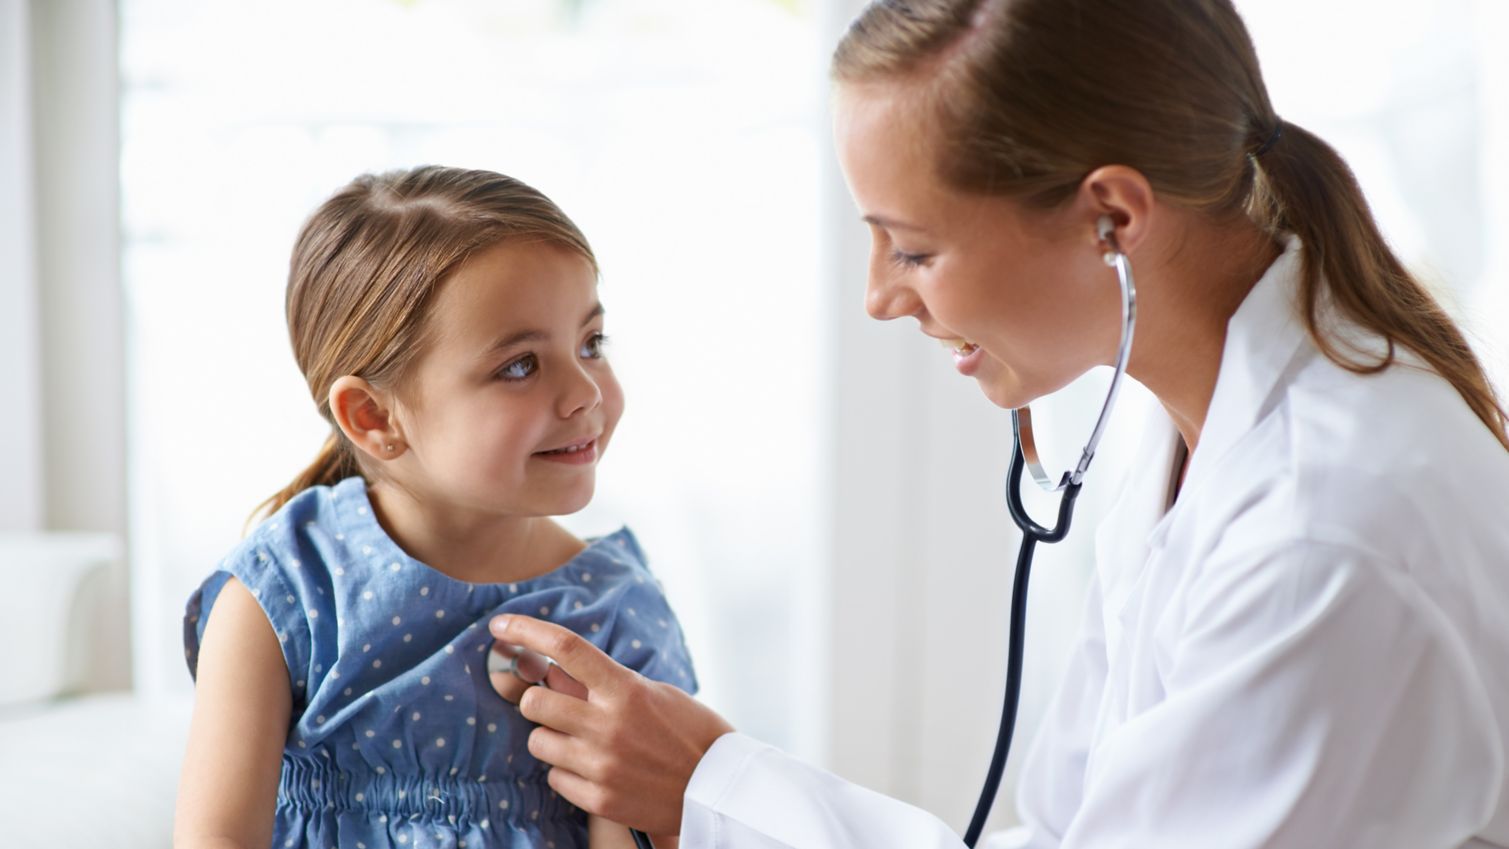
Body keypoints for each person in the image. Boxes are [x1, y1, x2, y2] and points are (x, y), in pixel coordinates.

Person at [485, 0, 1509, 847]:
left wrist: (713, 788)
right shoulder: (1194, 435)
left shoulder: (1321, 533)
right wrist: (714, 789)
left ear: (1111, 216)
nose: (882, 297)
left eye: (914, 250)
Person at [173, 165, 694, 849]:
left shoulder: (611, 612)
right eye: (520, 365)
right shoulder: (286, 593)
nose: (584, 393)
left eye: (590, 343)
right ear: (372, 416)